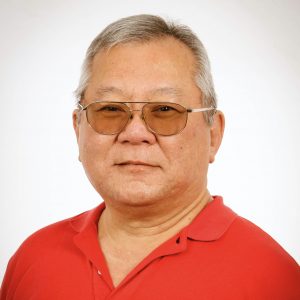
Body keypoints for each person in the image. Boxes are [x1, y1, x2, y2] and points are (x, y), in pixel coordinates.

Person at [1, 14, 299, 300]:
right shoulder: (34, 258)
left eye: (165, 110)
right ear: (78, 129)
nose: (135, 133)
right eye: (110, 109)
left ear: (214, 135)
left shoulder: (273, 278)